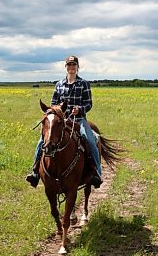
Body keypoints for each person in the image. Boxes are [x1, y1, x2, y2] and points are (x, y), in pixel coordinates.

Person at [26, 55, 103, 189]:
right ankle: (35, 172)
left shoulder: (84, 84)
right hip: (61, 121)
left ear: (77, 67)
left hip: (79, 120)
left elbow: (89, 104)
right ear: (66, 67)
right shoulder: (59, 84)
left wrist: (79, 109)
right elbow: (53, 104)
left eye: (74, 65)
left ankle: (96, 173)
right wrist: (57, 110)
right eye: (69, 65)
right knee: (42, 141)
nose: (71, 67)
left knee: (90, 140)